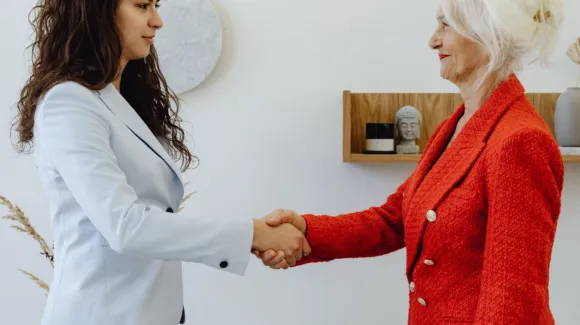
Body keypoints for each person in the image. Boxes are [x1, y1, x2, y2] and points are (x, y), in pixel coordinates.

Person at [255, 1, 565, 324]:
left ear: (490, 34)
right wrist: (306, 230)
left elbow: (512, 304)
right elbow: (393, 219)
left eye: (446, 25)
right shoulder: (455, 126)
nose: (433, 40)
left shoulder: (520, 140)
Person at [11, 1, 310, 324]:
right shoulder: (68, 102)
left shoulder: (115, 99)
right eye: (142, 6)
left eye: (156, 5)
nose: (158, 21)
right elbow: (125, 225)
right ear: (97, 10)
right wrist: (251, 234)